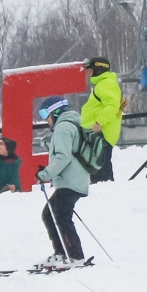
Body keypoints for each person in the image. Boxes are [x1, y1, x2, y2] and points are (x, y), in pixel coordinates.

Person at [37, 98, 89, 269]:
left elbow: (63, 157)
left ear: (55, 111)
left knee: (59, 216)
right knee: (51, 214)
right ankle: (62, 253)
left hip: (70, 181)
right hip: (74, 179)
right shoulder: (72, 124)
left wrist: (45, 173)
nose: (45, 119)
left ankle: (75, 256)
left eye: (45, 114)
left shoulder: (63, 127)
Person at [78, 57, 122, 182]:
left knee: (101, 172)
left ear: (98, 70)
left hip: (101, 134)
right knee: (98, 168)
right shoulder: (103, 84)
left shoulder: (106, 84)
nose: (88, 74)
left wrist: (99, 122)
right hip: (98, 134)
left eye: (90, 70)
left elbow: (112, 105)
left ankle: (106, 193)